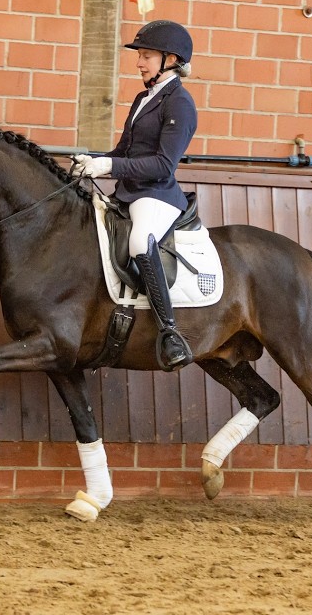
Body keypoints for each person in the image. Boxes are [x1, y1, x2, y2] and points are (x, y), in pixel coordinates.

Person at [74, 19, 197, 371]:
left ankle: (170, 332)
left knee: (142, 242)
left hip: (156, 196)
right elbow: (123, 150)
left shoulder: (180, 104)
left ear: (170, 59)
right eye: (140, 55)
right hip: (128, 193)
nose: (139, 63)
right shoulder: (145, 98)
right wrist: (92, 162)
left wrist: (108, 169)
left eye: (146, 56)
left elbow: (161, 164)